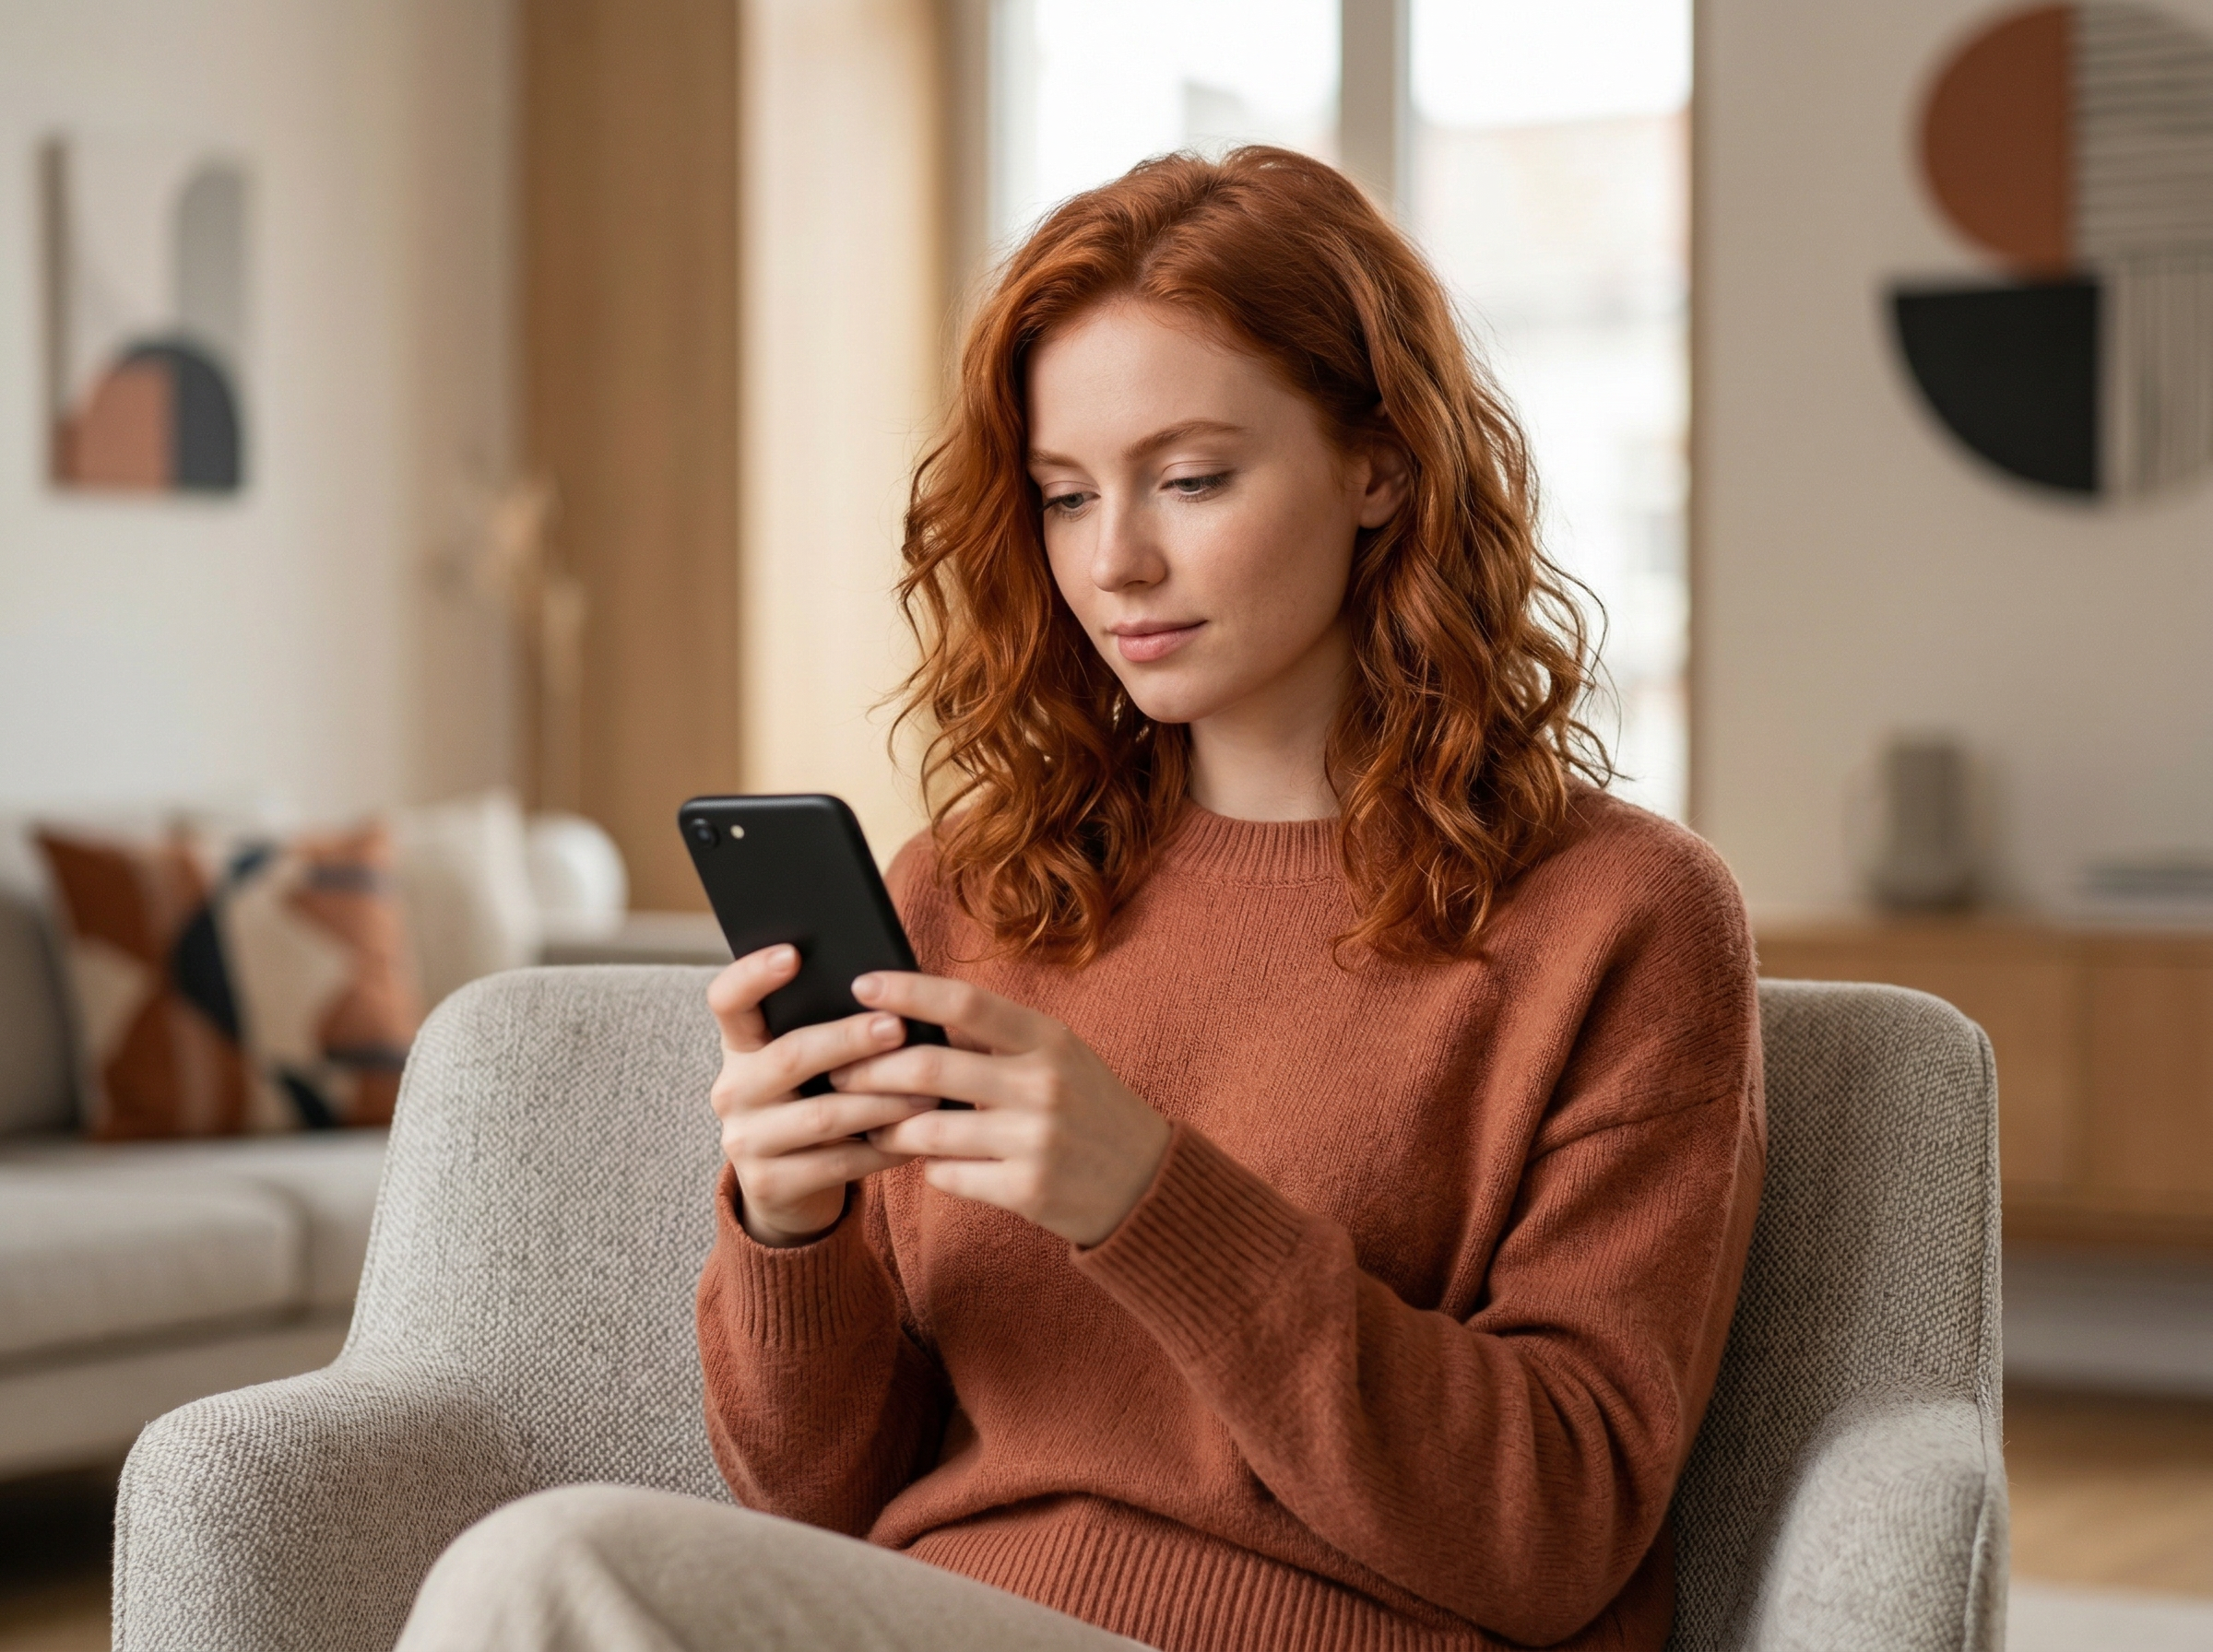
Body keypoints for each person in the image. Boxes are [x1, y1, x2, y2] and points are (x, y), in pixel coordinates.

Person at [397, 146, 1763, 1652]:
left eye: (1191, 479)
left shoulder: (1621, 921)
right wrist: (790, 1228)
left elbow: (1554, 1529)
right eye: (1062, 495)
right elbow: (811, 1502)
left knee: (544, 1573)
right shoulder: (971, 894)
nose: (1114, 562)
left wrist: (1147, 1194)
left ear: (1380, 465)